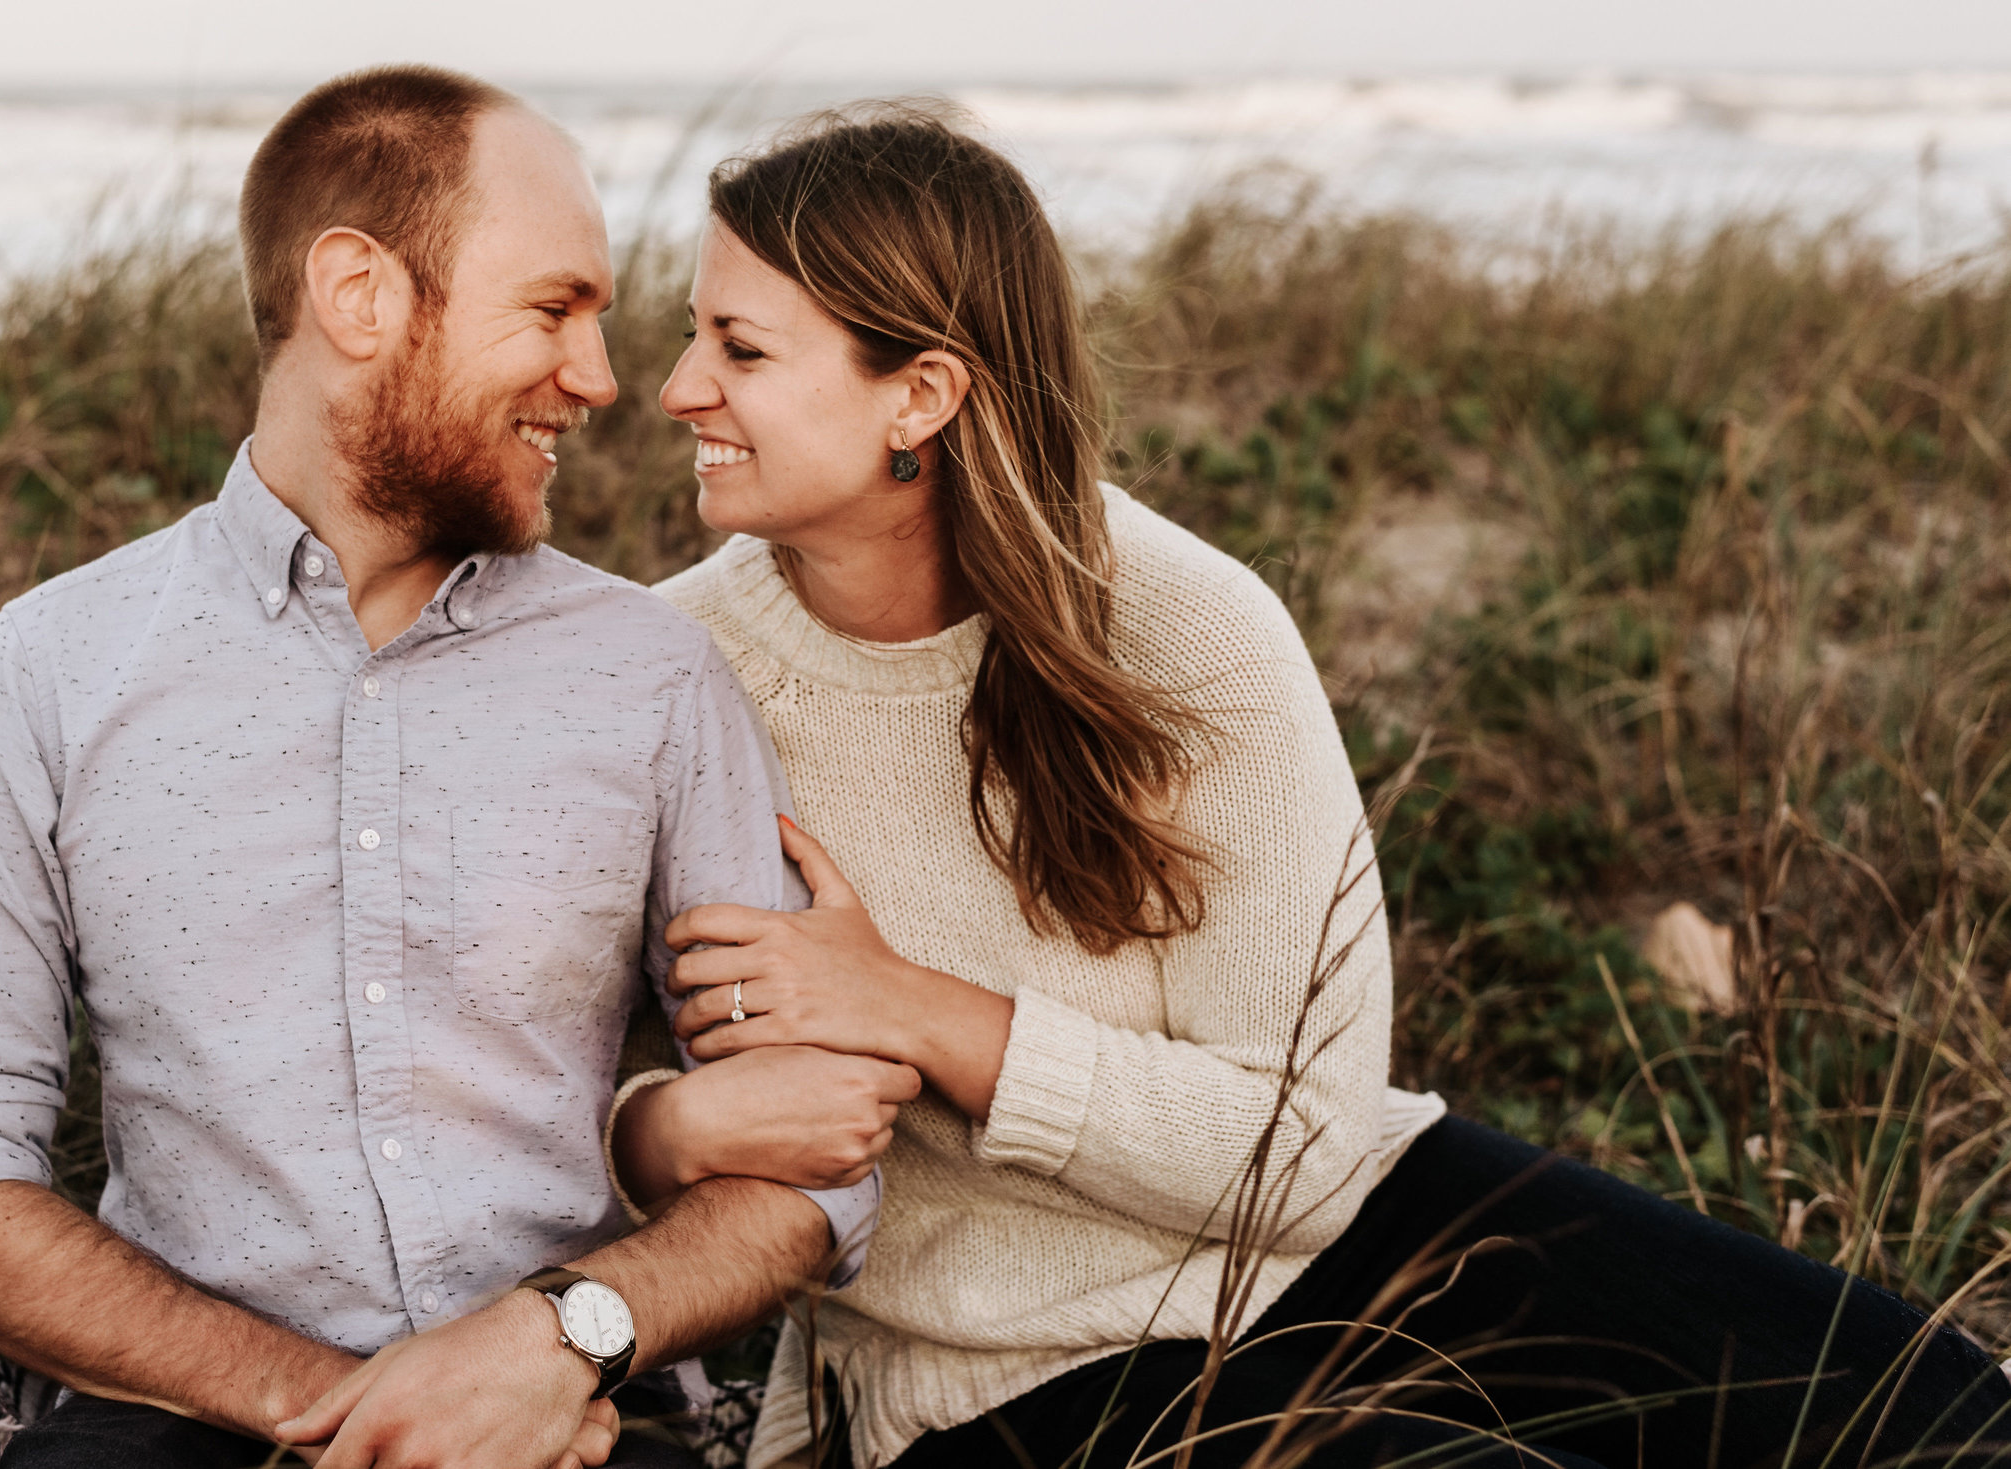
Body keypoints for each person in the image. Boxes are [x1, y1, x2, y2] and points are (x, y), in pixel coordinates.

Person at [609, 102, 2011, 1469]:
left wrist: (921, 1012)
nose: (676, 387)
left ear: (921, 391)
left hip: (1338, 1225)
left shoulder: (1185, 624)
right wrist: (660, 1127)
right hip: (1001, 1362)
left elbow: (1309, 1140)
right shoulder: (676, 676)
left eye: (737, 346)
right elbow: (524, 1088)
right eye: (692, 334)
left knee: (1932, 1412)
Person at [0, 66, 917, 1469]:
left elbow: (807, 1171)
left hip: (581, 1417)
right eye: (553, 311)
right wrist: (358, 1412)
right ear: (360, 296)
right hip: (176, 1424)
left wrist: (559, 1337)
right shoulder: (49, 668)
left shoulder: (652, 675)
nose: (603, 382)